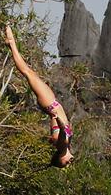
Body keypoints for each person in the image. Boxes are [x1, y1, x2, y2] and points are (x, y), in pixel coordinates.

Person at [5, 25, 74, 167]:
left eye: (64, 164)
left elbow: (61, 135)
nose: (68, 163)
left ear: (60, 158)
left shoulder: (62, 146)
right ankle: (10, 40)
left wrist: (61, 125)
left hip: (50, 104)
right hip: (51, 103)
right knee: (30, 73)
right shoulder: (65, 146)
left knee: (27, 72)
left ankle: (11, 42)